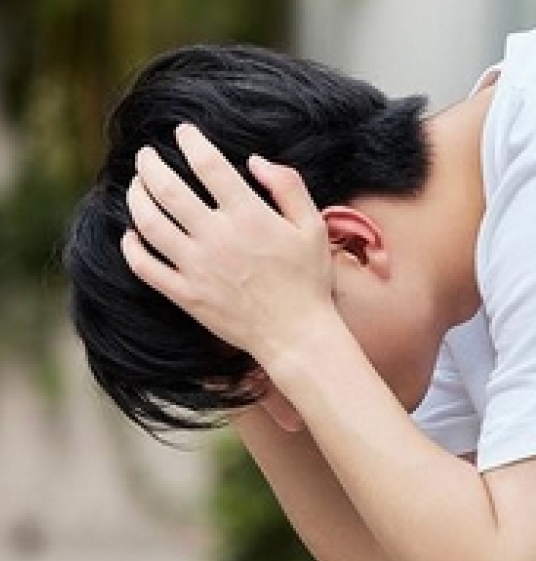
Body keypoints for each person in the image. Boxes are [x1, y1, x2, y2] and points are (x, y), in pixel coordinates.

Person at [65, 31, 536, 561]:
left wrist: (296, 336)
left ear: (352, 243)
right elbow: (384, 549)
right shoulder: (443, 290)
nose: (291, 421)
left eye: (269, 367)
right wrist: (223, 324)